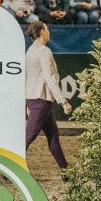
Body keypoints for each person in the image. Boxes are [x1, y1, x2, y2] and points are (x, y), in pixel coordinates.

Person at [24, 22, 72, 177]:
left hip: (35, 99)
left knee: (53, 136)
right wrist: (63, 101)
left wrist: (27, 103)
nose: (49, 31)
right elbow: (50, 79)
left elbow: (27, 77)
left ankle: (67, 171)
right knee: (28, 137)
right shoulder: (44, 51)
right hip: (41, 101)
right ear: (42, 32)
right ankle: (10, 168)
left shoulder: (30, 50)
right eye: (47, 29)